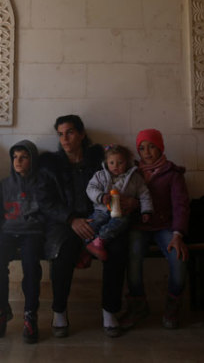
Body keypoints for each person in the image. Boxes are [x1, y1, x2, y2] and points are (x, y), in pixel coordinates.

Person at [39, 115, 137, 338]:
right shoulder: (51, 165)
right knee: (62, 252)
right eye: (61, 134)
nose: (65, 138)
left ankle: (110, 311)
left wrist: (131, 201)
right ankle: (59, 311)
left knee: (118, 249)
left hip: (100, 218)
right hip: (66, 222)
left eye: (70, 132)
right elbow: (46, 200)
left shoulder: (100, 161)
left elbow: (123, 182)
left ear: (82, 134)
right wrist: (71, 220)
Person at [0, 140, 58, 344]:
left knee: (31, 264)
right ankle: (2, 309)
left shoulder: (42, 183)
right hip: (8, 231)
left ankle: (30, 314)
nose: (18, 161)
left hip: (32, 232)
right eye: (15, 157)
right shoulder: (5, 184)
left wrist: (41, 226)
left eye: (23, 157)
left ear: (32, 160)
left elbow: (49, 211)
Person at [121, 128, 190, 330]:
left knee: (178, 259)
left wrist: (178, 234)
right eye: (142, 148)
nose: (147, 152)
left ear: (160, 147)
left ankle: (172, 304)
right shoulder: (131, 173)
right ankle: (138, 305)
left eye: (152, 146)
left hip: (165, 226)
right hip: (138, 226)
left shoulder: (172, 173)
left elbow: (181, 205)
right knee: (132, 258)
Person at [84, 144, 153, 261]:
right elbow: (90, 188)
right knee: (91, 226)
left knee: (121, 223)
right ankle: (86, 248)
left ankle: (99, 241)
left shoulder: (134, 178)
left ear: (127, 162)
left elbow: (145, 194)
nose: (116, 166)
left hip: (122, 212)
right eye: (112, 163)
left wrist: (146, 211)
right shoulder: (100, 176)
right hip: (101, 210)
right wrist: (101, 197)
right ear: (106, 162)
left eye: (120, 163)